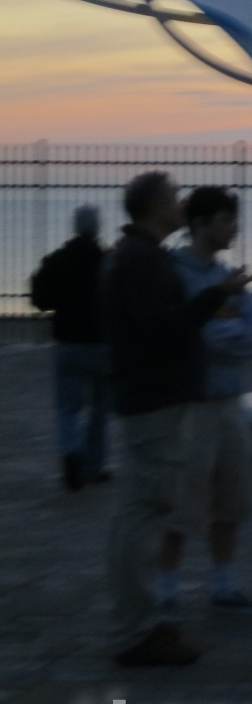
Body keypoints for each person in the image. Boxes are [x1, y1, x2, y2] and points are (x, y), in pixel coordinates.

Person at [99, 172, 252, 667]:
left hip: (151, 400)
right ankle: (138, 630)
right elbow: (162, 332)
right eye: (174, 198)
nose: (181, 203)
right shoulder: (145, 261)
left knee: (142, 513)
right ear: (155, 208)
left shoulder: (137, 257)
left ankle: (143, 623)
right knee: (145, 516)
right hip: (156, 404)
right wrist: (215, 297)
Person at [157, 187, 252, 614]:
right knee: (181, 502)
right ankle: (165, 589)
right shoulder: (177, 277)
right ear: (199, 224)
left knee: (233, 498)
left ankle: (225, 585)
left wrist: (227, 334)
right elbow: (199, 335)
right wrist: (228, 332)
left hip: (230, 402)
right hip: (193, 406)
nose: (233, 228)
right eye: (225, 220)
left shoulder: (231, 278)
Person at [30, 205, 110, 491]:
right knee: (100, 408)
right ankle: (95, 466)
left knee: (68, 407)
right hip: (101, 344)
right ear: (97, 228)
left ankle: (71, 456)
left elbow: (40, 299)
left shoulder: (57, 260)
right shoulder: (107, 261)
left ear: (74, 227)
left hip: (67, 344)